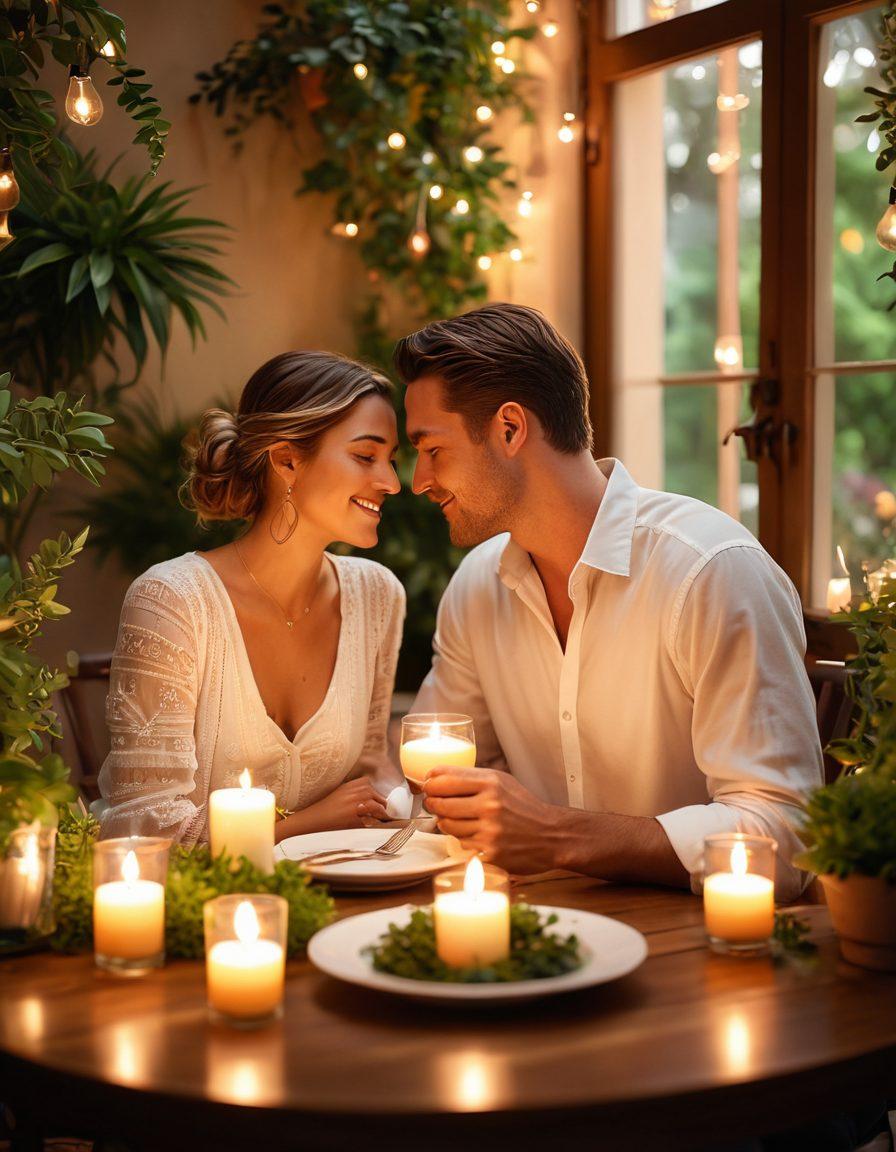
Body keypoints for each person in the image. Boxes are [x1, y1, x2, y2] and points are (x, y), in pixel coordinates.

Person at [397, 303, 823, 899]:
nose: (418, 481)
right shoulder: (476, 588)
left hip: (705, 953)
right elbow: (435, 787)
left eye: (432, 449)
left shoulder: (710, 573)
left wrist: (556, 836)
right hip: (536, 928)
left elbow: (788, 838)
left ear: (510, 429)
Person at [97, 351, 406, 845]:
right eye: (366, 456)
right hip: (194, 909)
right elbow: (147, 826)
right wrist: (306, 824)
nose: (391, 481)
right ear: (287, 459)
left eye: (391, 460)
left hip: (336, 890)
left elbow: (370, 760)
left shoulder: (377, 596)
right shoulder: (172, 601)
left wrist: (408, 802)